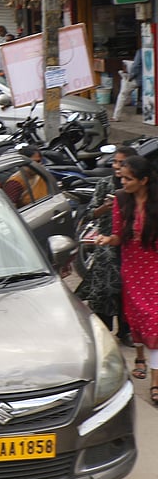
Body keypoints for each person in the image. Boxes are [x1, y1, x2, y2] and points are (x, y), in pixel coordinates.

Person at [94, 155, 158, 405]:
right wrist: (105, 240)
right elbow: (118, 237)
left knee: (154, 320)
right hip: (132, 268)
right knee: (138, 319)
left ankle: (155, 381)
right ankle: (140, 357)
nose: (123, 182)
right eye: (121, 177)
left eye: (128, 179)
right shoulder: (121, 200)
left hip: (154, 267)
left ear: (144, 180)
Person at [77, 146, 138, 351]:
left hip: (131, 245)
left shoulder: (138, 187)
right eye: (115, 162)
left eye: (122, 163)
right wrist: (105, 207)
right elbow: (89, 214)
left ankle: (126, 331)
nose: (117, 167)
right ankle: (103, 330)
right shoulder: (105, 184)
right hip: (107, 244)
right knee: (104, 288)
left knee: (127, 290)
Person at [113, 47, 144, 122]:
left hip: (138, 79)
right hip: (149, 79)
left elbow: (136, 65)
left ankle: (116, 116)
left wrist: (131, 76)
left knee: (122, 95)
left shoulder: (140, 51)